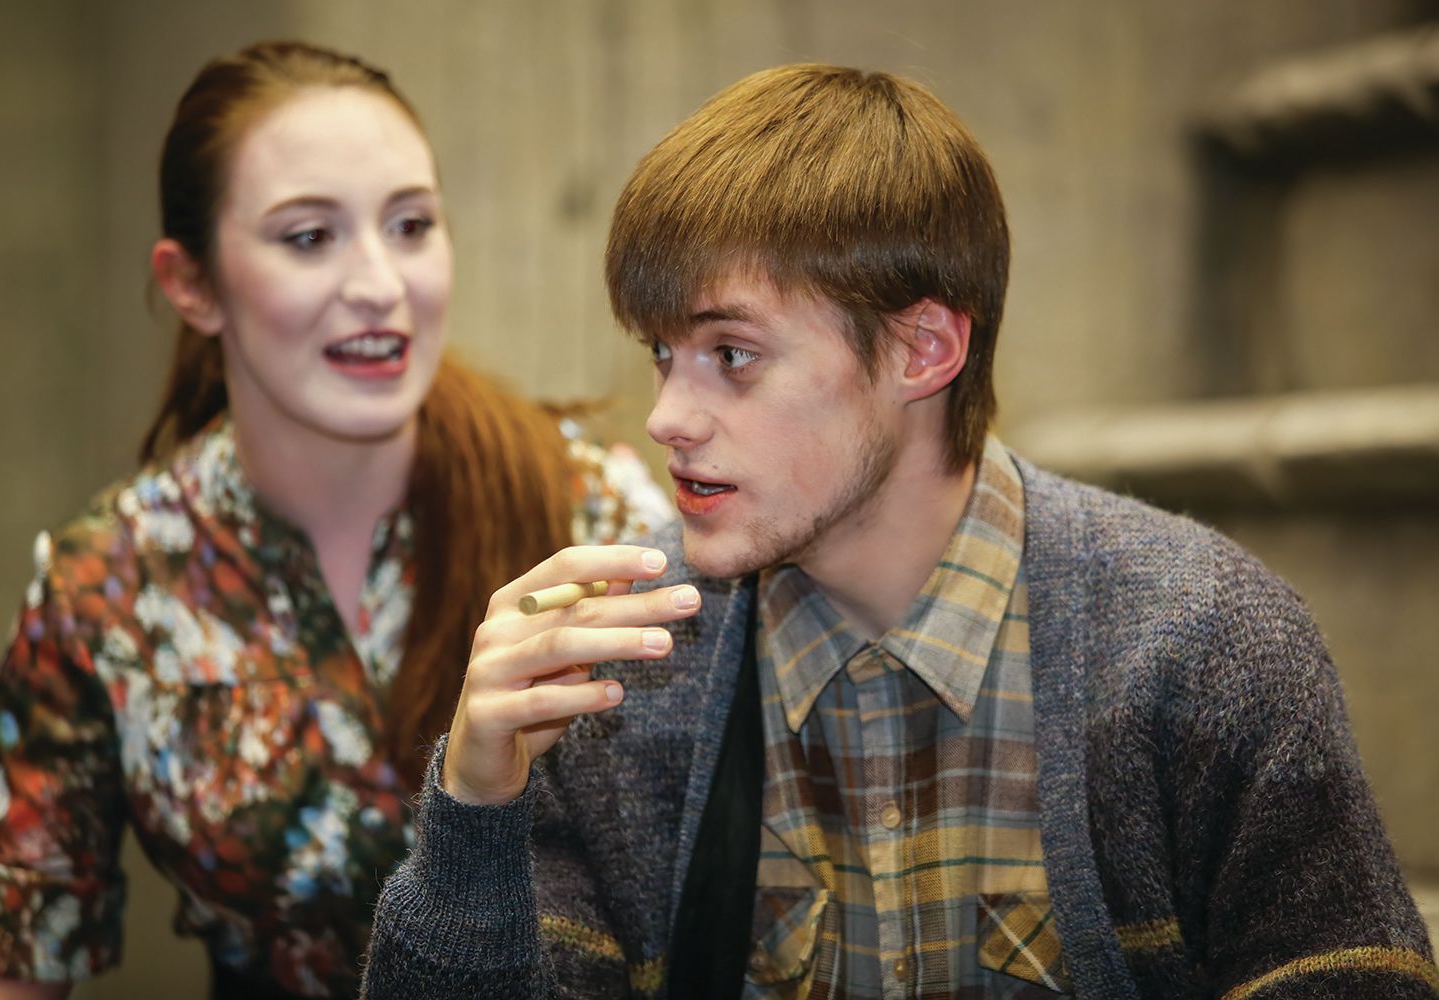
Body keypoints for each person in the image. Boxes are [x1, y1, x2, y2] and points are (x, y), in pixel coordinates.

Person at [361, 64, 1439, 999]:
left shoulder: (1200, 646)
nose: (665, 417)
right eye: (661, 352)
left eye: (732, 354)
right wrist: (473, 807)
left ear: (923, 350)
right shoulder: (622, 669)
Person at [0, 41, 670, 1000]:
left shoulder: (595, 517)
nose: (379, 283)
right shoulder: (108, 586)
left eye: (411, 225)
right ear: (191, 284)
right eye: (308, 237)